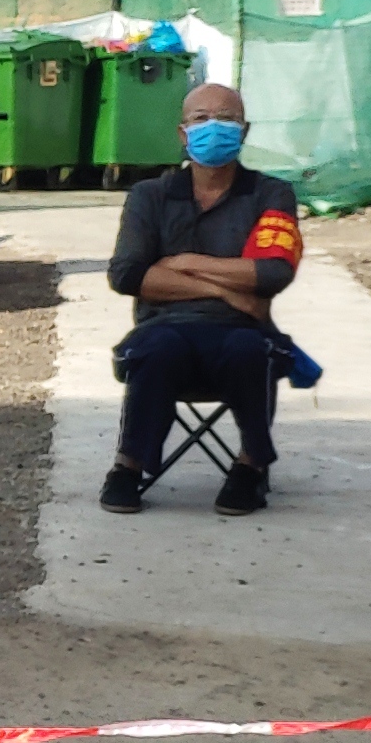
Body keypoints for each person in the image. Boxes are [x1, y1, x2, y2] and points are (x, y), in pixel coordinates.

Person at [100, 79, 301, 517]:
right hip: (166, 324)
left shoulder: (271, 194)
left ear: (245, 131)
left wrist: (182, 261)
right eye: (201, 118)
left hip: (241, 328)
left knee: (251, 350)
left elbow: (273, 271)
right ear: (182, 133)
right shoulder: (149, 195)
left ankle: (250, 466)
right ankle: (128, 466)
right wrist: (222, 288)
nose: (214, 127)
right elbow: (127, 274)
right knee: (155, 350)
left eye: (227, 119)